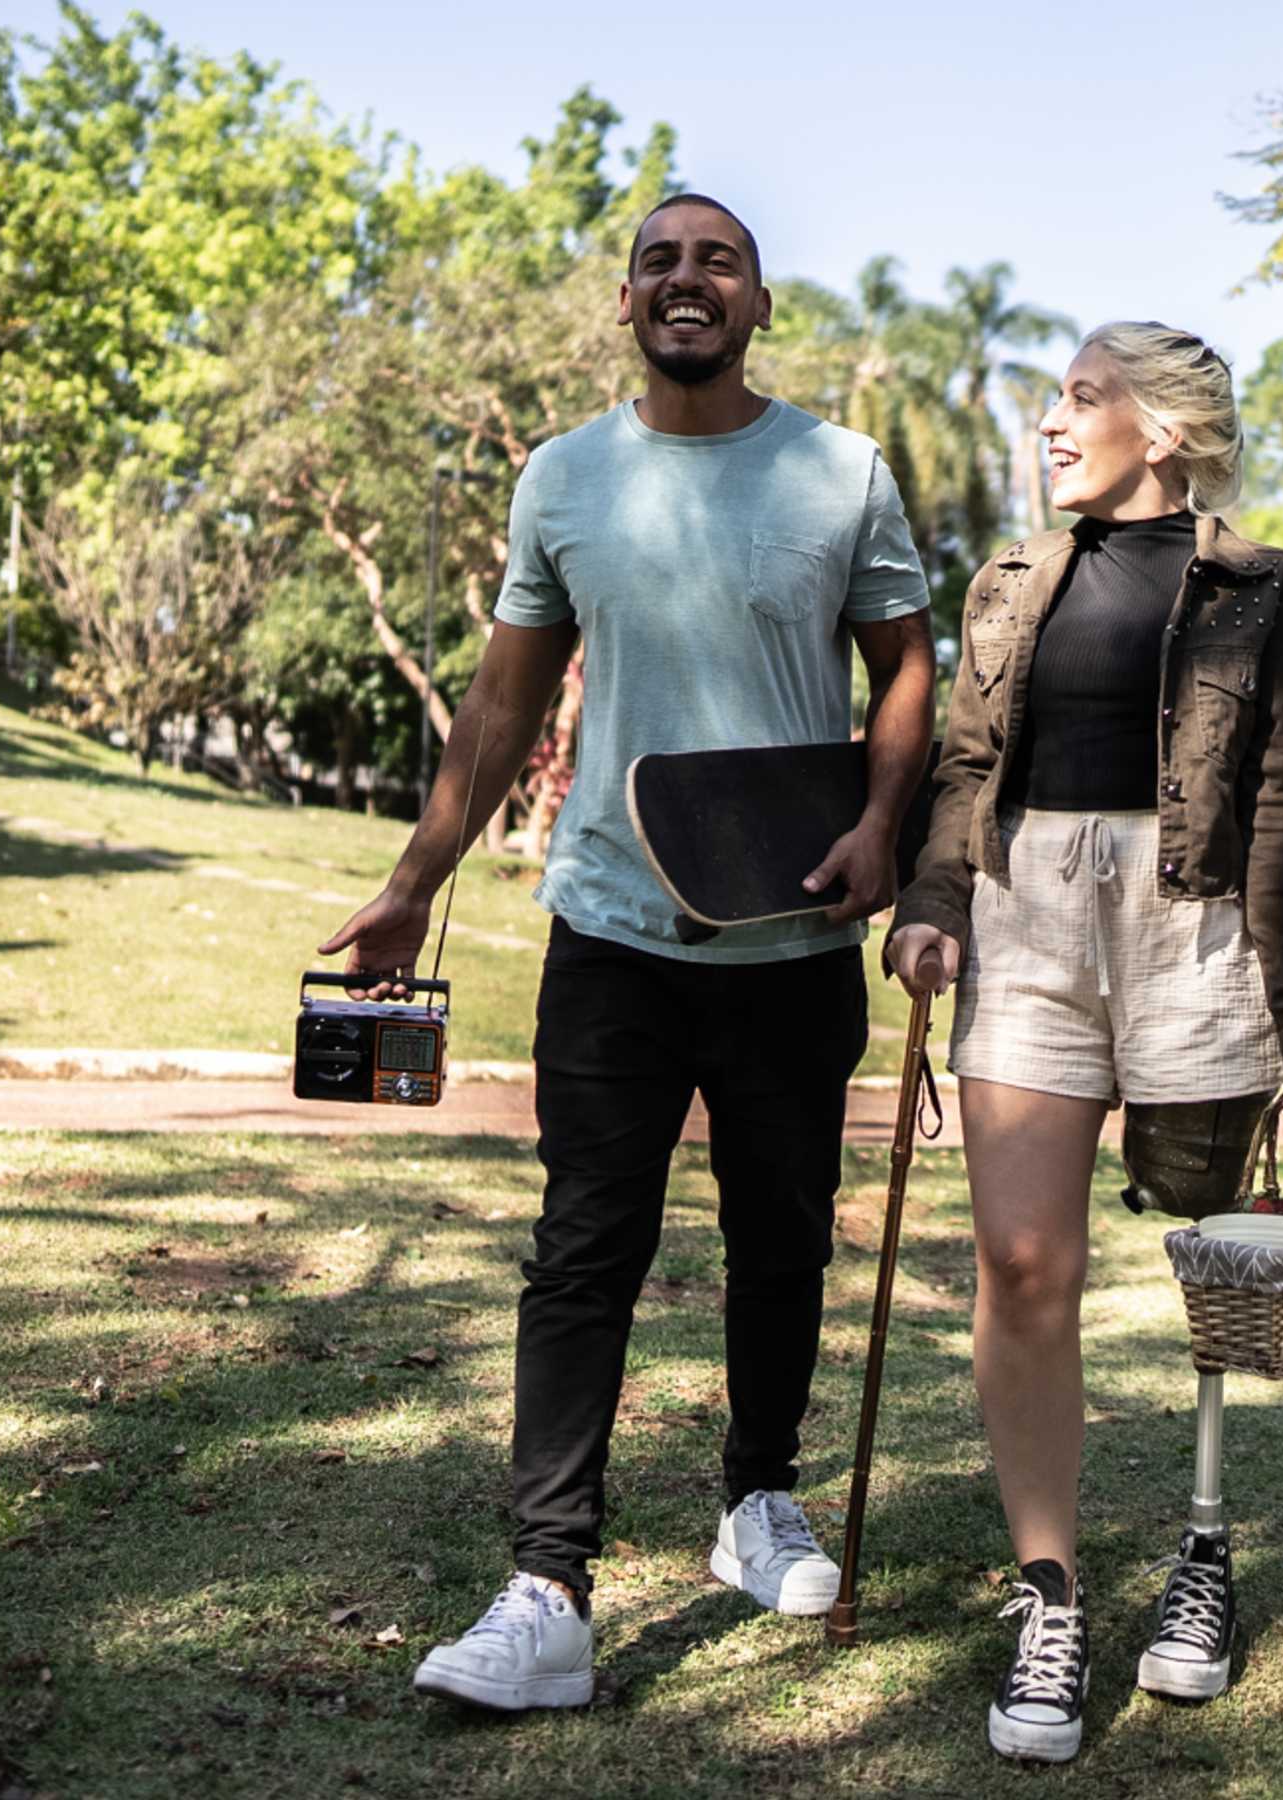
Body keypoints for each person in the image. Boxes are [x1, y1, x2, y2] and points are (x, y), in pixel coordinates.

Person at [321, 192, 936, 1712]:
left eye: (715, 260)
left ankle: (756, 1500)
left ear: (758, 301)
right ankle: (548, 1590)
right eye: (660, 261)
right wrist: (414, 880)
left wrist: (881, 824)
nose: (686, 281)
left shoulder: (841, 472)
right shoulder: (567, 477)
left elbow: (911, 662)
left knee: (781, 1241)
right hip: (610, 931)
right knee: (584, 1250)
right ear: (624, 303)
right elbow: (502, 705)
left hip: (790, 934)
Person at [887, 321, 1283, 1764]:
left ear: (1163, 429)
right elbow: (968, 762)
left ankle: (1203, 1547)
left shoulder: (1273, 590)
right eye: (1058, 398)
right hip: (1028, 919)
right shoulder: (1014, 579)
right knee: (1026, 1263)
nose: (1053, 421)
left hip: (1195, 933)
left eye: (1083, 398)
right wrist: (931, 900)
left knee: (1213, 1253)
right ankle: (1051, 1596)